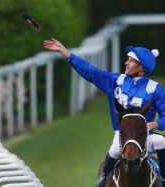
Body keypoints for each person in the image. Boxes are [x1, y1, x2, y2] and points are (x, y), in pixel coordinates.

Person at [43, 38, 165, 186]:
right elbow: (90, 71)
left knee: (162, 141)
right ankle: (102, 180)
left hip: (145, 137)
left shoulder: (155, 88)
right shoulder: (115, 80)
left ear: (141, 67)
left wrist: (154, 124)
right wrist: (64, 52)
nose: (126, 63)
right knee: (114, 151)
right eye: (128, 59)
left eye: (131, 61)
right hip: (122, 136)